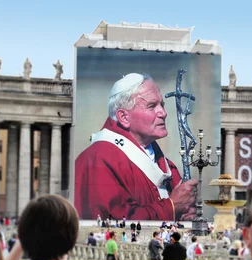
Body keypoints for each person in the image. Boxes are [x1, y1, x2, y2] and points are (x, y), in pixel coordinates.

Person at [74, 73, 198, 221]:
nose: (163, 113)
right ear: (124, 117)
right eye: (152, 106)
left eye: (162, 105)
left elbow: (180, 209)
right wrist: (171, 206)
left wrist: (185, 215)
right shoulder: (98, 160)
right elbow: (113, 220)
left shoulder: (166, 165)